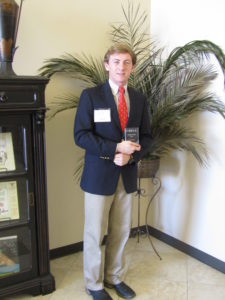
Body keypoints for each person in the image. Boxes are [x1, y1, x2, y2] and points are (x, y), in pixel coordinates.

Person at [74, 44, 152, 300]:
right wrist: (115, 148)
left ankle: (114, 277)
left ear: (132, 67)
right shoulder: (91, 96)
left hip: (126, 176)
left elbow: (147, 138)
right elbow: (81, 135)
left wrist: (130, 156)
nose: (122, 67)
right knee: (95, 233)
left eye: (127, 62)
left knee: (120, 231)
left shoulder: (139, 99)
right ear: (107, 65)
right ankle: (94, 284)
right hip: (98, 177)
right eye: (116, 62)